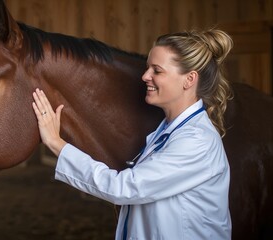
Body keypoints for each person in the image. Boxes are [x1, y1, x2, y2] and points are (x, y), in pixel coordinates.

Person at [32, 29, 233, 239]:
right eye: (148, 68)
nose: (145, 76)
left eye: (157, 70)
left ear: (189, 79)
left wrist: (56, 143)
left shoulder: (197, 141)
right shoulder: (168, 130)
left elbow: (124, 188)